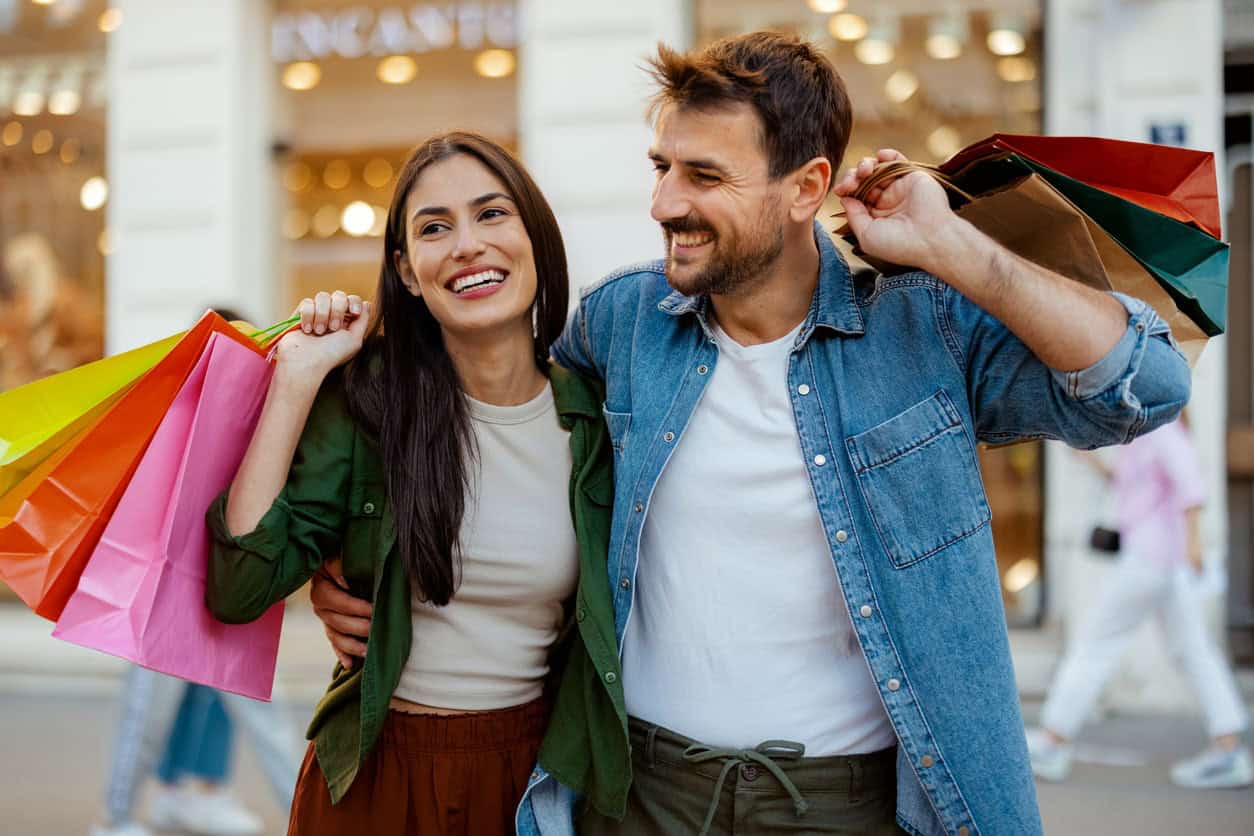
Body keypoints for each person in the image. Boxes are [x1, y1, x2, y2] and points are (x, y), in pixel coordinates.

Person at [310, 32, 1191, 836]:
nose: (664, 202)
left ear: (806, 187)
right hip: (640, 797)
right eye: (662, 167)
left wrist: (949, 246)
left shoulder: (921, 327)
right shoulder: (623, 324)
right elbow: (499, 435)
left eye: (704, 176)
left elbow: (1145, 387)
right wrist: (356, 557)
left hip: (845, 806)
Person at [205, 132, 629, 835]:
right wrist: (298, 377)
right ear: (405, 270)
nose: (467, 245)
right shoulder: (370, 402)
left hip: (534, 782)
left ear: (534, 234)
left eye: (492, 214)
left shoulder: (598, 417)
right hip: (373, 776)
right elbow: (238, 589)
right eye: (435, 228)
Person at [1027, 417, 1251, 788]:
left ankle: (1052, 741)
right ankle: (1229, 749)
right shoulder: (1145, 434)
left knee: (1095, 643)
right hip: (1163, 561)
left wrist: (1195, 544)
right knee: (1193, 651)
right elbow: (1133, 489)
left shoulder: (1161, 427)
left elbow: (1190, 484)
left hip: (1149, 558)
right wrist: (1092, 462)